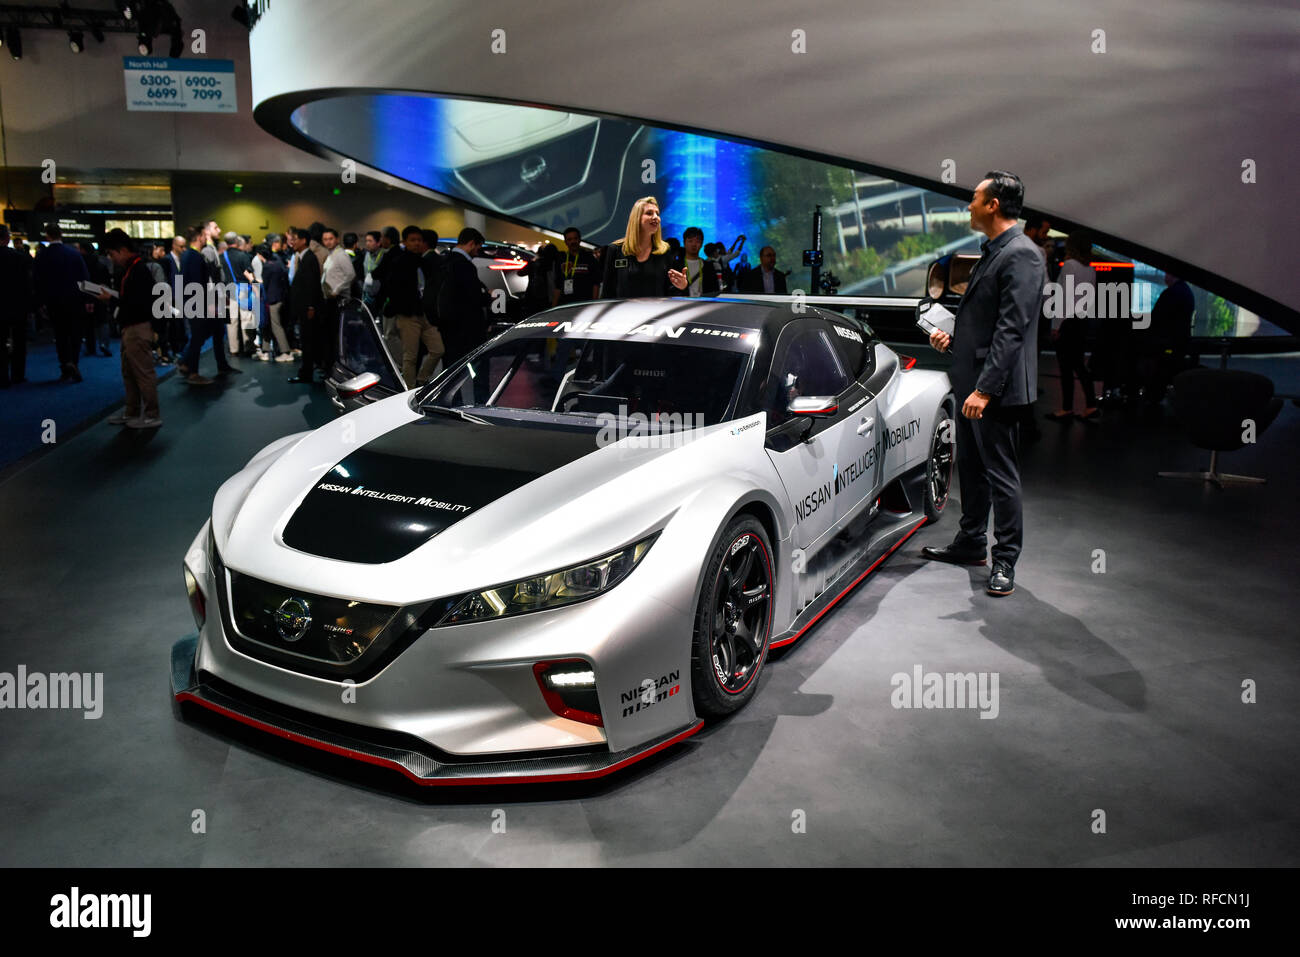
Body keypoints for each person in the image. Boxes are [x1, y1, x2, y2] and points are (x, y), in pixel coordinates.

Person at [923, 170, 1044, 597]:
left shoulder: (1022, 254)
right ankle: (971, 542)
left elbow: (1012, 331)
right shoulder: (995, 251)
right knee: (972, 469)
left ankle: (1004, 560)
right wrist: (953, 335)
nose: (969, 204)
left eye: (975, 198)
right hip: (975, 380)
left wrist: (985, 389)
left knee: (1000, 474)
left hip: (995, 389)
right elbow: (988, 321)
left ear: (993, 204)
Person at [97, 230, 162, 428]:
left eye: (112, 253)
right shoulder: (131, 269)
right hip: (131, 327)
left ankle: (151, 414)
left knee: (142, 372)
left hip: (138, 327)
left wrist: (112, 299)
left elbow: (139, 302)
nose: (111, 258)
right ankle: (132, 412)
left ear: (122, 250)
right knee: (130, 372)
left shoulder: (137, 270)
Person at [1045, 232, 1099, 420]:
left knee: (1066, 367)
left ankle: (1066, 408)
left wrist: (1055, 326)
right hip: (1082, 321)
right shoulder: (1090, 269)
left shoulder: (1069, 266)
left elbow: (1063, 298)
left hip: (1067, 322)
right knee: (1078, 365)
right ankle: (1091, 405)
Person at [32, 223, 90, 382]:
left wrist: (40, 303)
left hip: (54, 301)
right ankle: (74, 362)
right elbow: (84, 278)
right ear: (61, 234)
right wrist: (88, 299)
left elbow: (37, 281)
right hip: (74, 300)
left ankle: (65, 364)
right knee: (75, 333)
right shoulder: (74, 254)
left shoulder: (42, 256)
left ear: (47, 236)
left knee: (60, 333)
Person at [600, 197, 689, 298]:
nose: (656, 217)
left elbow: (669, 291)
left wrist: (682, 285)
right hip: (624, 312)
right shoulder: (615, 250)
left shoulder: (664, 251)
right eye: (649, 213)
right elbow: (607, 293)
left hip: (656, 312)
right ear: (636, 218)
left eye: (657, 214)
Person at [437, 227, 492, 373]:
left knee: (451, 368)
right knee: (479, 365)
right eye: (478, 247)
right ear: (472, 243)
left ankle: (453, 397)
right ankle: (481, 396)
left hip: (448, 325)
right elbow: (472, 297)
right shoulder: (464, 265)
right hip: (468, 326)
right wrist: (488, 297)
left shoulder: (444, 261)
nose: (477, 251)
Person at [287, 228, 325, 383]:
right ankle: (309, 370)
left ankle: (306, 373)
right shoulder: (303, 257)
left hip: (308, 309)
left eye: (295, 239)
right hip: (303, 308)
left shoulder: (309, 258)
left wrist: (310, 306)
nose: (292, 242)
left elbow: (312, 285)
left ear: (303, 241)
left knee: (308, 341)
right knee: (308, 340)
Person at [0, 225, 33, 387]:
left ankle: (2, 377)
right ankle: (18, 375)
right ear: (7, 239)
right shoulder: (20, 257)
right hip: (18, 306)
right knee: (19, 342)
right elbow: (28, 284)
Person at [319, 226, 353, 372]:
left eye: (330, 238)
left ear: (337, 239)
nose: (328, 242)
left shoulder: (341, 255)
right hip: (330, 299)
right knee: (330, 336)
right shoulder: (331, 254)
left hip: (338, 300)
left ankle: (338, 366)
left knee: (336, 335)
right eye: (325, 239)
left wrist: (337, 290)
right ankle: (331, 365)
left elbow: (350, 274)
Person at [253, 244, 293, 361]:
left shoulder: (267, 266)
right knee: (269, 325)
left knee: (275, 326)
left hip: (271, 299)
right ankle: (266, 350)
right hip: (280, 298)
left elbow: (264, 284)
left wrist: (253, 280)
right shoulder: (277, 263)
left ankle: (286, 352)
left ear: (260, 255)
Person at [551, 227, 601, 307]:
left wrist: (594, 304)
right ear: (565, 242)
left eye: (575, 238)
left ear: (580, 240)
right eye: (569, 239)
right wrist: (553, 307)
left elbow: (596, 283)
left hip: (585, 303)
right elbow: (558, 286)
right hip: (565, 304)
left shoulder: (589, 257)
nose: (573, 242)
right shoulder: (561, 259)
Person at [674, 227, 723, 297]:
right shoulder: (676, 265)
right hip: (683, 303)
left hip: (703, 304)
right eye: (690, 241)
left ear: (702, 244)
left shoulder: (708, 266)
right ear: (684, 243)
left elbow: (714, 290)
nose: (694, 244)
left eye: (697, 241)